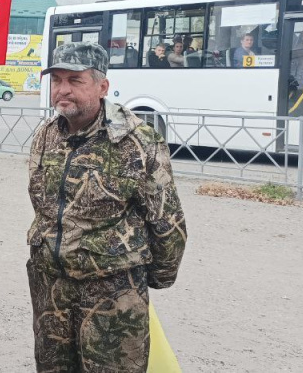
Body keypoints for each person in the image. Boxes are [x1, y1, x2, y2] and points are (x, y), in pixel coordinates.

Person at [27, 42, 188, 372]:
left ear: (102, 87)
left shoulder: (137, 140)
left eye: (75, 80)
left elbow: (167, 222)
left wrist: (148, 280)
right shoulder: (46, 134)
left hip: (111, 294)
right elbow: (42, 206)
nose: (62, 90)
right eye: (56, 80)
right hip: (51, 291)